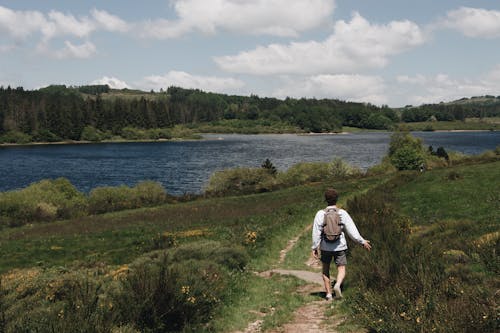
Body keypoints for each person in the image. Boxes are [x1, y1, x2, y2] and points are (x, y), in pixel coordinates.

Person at [311, 188, 371, 300]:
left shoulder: (320, 214)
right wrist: (361, 241)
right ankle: (338, 284)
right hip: (340, 246)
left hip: (325, 247)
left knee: (325, 269)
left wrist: (314, 247)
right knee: (341, 268)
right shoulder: (342, 213)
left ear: (326, 200)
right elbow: (352, 230)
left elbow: (316, 232)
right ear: (336, 199)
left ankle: (328, 294)